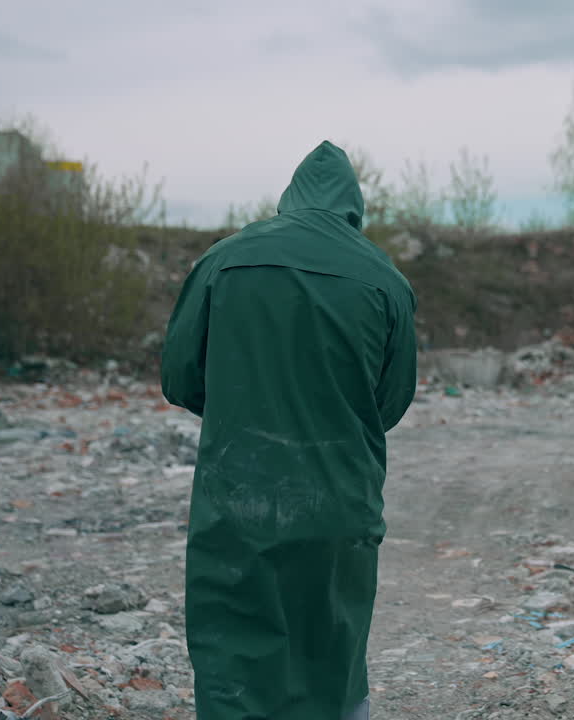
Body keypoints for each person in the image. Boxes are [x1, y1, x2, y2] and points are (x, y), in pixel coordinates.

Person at [161, 140, 418, 720]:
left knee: (233, 654)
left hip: (238, 498)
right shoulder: (386, 280)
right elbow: (390, 403)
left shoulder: (223, 261)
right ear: (353, 207)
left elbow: (179, 378)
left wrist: (244, 406)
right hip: (341, 499)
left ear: (289, 198)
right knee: (331, 655)